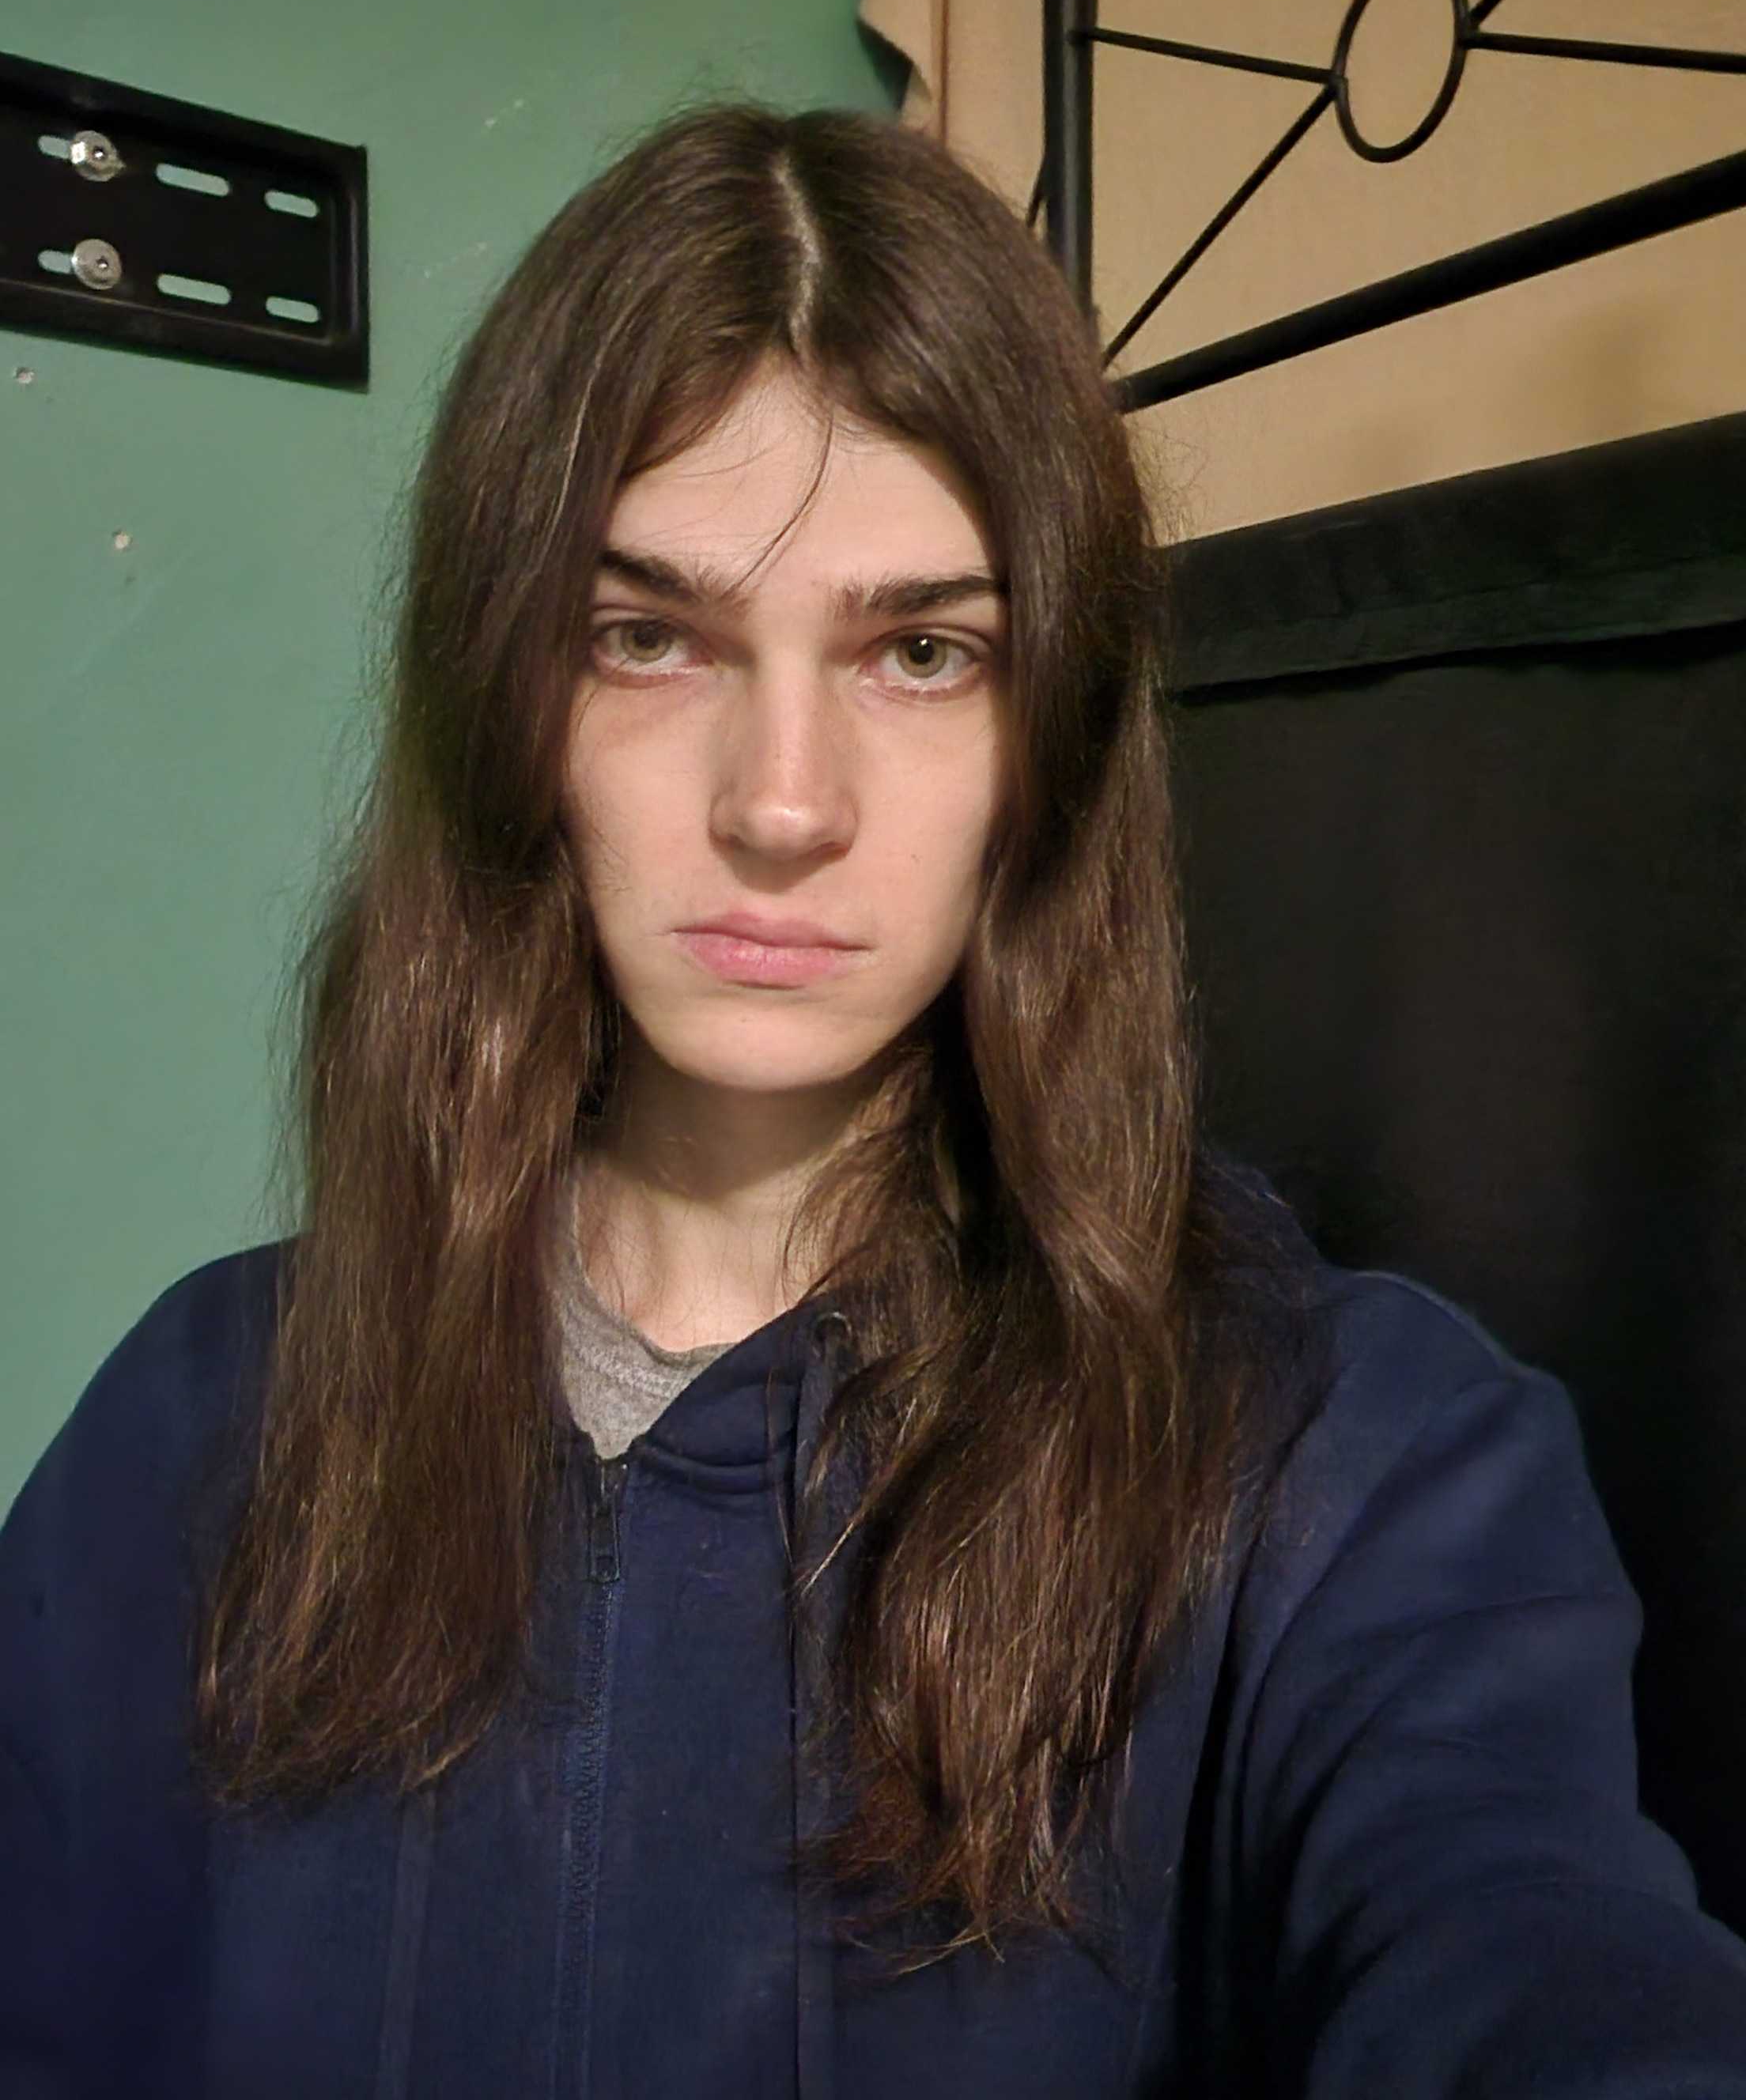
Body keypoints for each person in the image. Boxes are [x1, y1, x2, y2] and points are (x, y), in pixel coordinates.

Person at [3, 103, 1745, 2100]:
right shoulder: (201, 1418)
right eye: (649, 637)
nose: (782, 803)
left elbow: (1540, 1954)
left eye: (920, 651)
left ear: (1052, 729)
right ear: (508, 699)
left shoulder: (1354, 1469)